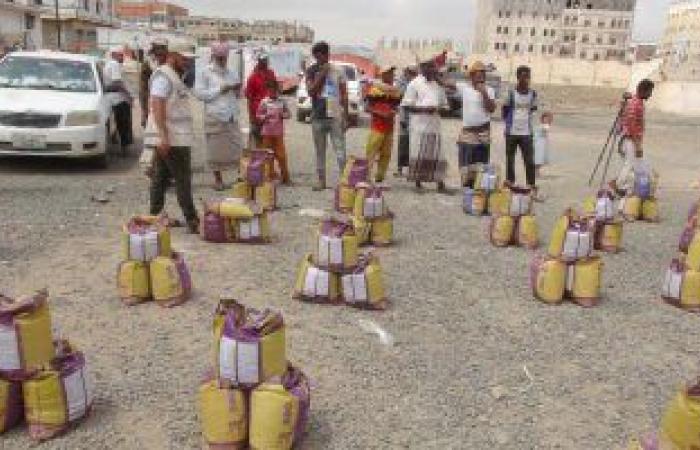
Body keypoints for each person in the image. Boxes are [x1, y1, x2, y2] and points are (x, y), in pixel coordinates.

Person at [144, 44, 199, 233]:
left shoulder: (175, 76)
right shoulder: (164, 76)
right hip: (172, 138)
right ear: (173, 55)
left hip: (174, 136)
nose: (188, 62)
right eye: (184, 58)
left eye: (189, 59)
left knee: (160, 177)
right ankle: (192, 220)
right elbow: (156, 104)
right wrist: (163, 136)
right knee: (182, 178)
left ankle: (154, 216)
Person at [193, 41, 244, 191]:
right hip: (215, 116)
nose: (222, 61)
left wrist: (237, 89)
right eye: (220, 58)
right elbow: (200, 94)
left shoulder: (232, 72)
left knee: (237, 148)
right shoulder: (204, 72)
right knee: (214, 150)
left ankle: (240, 178)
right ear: (214, 56)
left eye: (224, 58)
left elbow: (239, 94)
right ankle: (218, 180)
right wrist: (219, 90)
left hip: (231, 116)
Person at [306, 41, 349, 191]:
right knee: (320, 151)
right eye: (316, 57)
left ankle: (344, 182)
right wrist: (322, 75)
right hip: (318, 116)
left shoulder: (338, 70)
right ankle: (321, 181)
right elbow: (310, 91)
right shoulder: (311, 70)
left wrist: (346, 116)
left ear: (327, 55)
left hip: (335, 116)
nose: (319, 60)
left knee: (340, 151)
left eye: (321, 57)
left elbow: (344, 94)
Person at [400, 60, 449, 192]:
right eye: (429, 67)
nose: (433, 69)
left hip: (435, 125)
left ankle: (439, 181)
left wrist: (440, 109)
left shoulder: (438, 85)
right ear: (422, 68)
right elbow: (406, 106)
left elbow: (445, 105)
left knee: (437, 154)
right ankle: (417, 180)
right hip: (419, 126)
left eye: (434, 66)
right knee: (418, 153)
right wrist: (424, 110)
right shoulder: (414, 84)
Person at [611, 78, 655, 196]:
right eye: (650, 91)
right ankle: (619, 185)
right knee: (631, 164)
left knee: (634, 165)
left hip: (629, 139)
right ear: (645, 90)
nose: (651, 95)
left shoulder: (635, 102)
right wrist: (638, 146)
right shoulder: (636, 104)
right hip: (631, 140)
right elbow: (632, 127)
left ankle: (623, 186)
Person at [456, 60, 496, 188]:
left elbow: (491, 109)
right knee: (466, 164)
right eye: (478, 74)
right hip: (468, 133)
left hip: (483, 133)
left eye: (483, 74)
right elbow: (446, 83)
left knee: (481, 164)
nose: (481, 77)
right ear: (471, 76)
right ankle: (467, 188)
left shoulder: (489, 90)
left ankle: (477, 188)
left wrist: (483, 93)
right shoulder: (464, 88)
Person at [503, 65, 539, 195]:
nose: (525, 79)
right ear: (517, 77)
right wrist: (507, 125)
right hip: (511, 132)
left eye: (527, 76)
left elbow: (533, 109)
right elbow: (505, 109)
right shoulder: (511, 93)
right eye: (523, 76)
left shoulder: (533, 94)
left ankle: (531, 185)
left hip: (526, 133)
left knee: (529, 161)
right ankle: (510, 183)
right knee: (510, 160)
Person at [365, 65, 401, 183]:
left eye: (392, 73)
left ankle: (380, 177)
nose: (391, 75)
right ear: (383, 75)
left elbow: (396, 106)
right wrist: (381, 113)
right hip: (377, 126)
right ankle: (367, 177)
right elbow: (368, 108)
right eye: (389, 73)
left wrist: (394, 112)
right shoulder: (375, 89)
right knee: (371, 152)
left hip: (390, 126)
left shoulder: (395, 91)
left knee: (386, 154)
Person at [257, 78, 292, 185]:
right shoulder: (264, 102)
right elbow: (258, 115)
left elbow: (289, 114)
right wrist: (264, 117)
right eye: (270, 90)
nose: (273, 92)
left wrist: (283, 115)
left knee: (281, 156)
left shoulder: (282, 102)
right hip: (266, 133)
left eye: (275, 90)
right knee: (267, 156)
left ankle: (285, 177)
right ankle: (269, 176)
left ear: (278, 90)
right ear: (268, 90)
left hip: (278, 133)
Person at [104, 47, 134, 154]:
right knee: (124, 123)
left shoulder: (109, 64)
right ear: (113, 55)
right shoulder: (114, 64)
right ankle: (124, 148)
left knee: (117, 122)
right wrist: (128, 94)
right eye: (120, 55)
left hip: (112, 98)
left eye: (122, 55)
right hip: (119, 98)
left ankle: (116, 139)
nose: (122, 57)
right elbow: (117, 82)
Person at [245, 52, 277, 147]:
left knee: (270, 140)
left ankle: (268, 160)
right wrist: (251, 117)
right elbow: (249, 99)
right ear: (258, 62)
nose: (265, 62)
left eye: (266, 60)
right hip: (258, 113)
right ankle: (259, 160)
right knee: (258, 140)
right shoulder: (252, 77)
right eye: (262, 60)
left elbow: (275, 90)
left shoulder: (271, 73)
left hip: (271, 113)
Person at [140, 39, 168, 128]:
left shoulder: (170, 64)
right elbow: (143, 90)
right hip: (153, 102)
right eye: (157, 51)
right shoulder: (147, 65)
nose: (159, 55)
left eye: (162, 51)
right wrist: (145, 112)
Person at [534, 112, 553, 178]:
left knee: (540, 160)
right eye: (545, 119)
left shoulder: (544, 125)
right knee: (538, 159)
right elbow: (545, 129)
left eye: (548, 119)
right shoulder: (543, 126)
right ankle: (536, 173)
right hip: (538, 144)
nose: (547, 120)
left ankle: (537, 172)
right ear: (542, 119)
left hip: (542, 143)